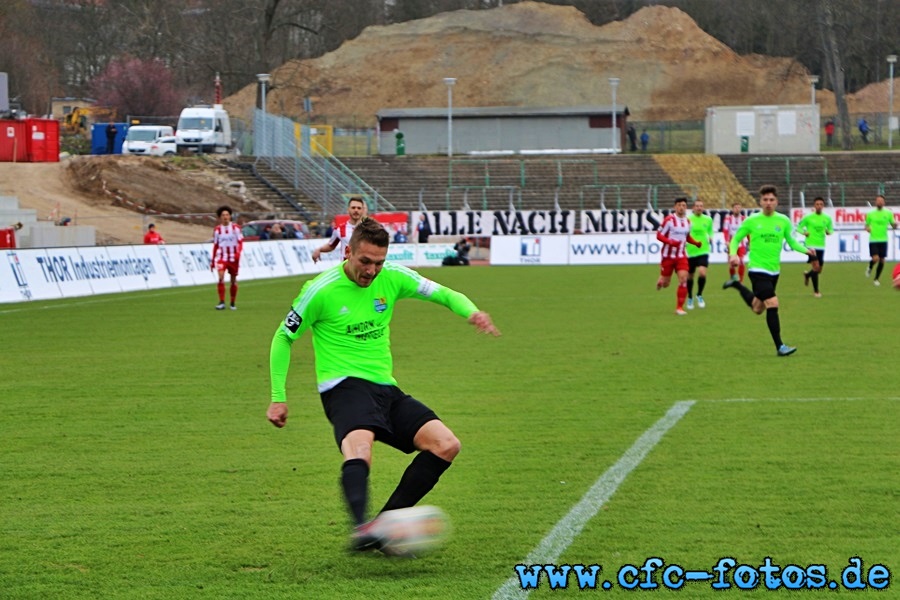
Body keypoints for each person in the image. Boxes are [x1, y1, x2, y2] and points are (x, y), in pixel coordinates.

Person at [265, 218, 500, 554]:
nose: (372, 271)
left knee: (446, 444)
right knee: (360, 446)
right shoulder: (320, 290)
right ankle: (361, 527)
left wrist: (472, 312)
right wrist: (278, 397)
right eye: (365, 262)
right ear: (347, 253)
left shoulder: (393, 278)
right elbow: (283, 337)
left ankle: (385, 527)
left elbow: (443, 293)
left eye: (379, 262)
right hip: (343, 387)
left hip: (385, 389)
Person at [722, 185, 816, 356]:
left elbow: (792, 242)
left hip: (774, 271)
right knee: (772, 303)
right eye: (765, 200)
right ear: (760, 201)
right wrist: (733, 254)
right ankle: (780, 346)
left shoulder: (783, 221)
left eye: (771, 200)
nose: (768, 203)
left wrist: (806, 250)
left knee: (758, 308)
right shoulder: (752, 221)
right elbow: (735, 239)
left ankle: (736, 284)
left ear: (776, 201)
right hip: (757, 270)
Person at [656, 197, 701, 315]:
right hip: (668, 256)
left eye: (684, 205)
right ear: (675, 207)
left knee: (683, 279)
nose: (681, 207)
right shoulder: (669, 220)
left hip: (681, 256)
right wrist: (670, 242)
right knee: (666, 284)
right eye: (679, 205)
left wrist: (695, 243)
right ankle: (662, 280)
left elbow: (687, 237)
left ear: (686, 208)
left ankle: (679, 308)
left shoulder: (688, 222)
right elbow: (659, 235)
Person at [797, 196, 834, 297]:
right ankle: (816, 291)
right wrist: (804, 232)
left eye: (821, 204)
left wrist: (828, 232)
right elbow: (798, 227)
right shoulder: (808, 217)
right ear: (814, 205)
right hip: (810, 245)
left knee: (819, 270)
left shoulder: (827, 218)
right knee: (816, 267)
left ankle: (807, 275)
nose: (819, 206)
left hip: (821, 246)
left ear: (823, 206)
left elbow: (831, 229)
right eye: (817, 204)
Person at [313, 195, 367, 263]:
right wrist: (319, 249)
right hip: (346, 268)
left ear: (362, 210)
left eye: (359, 208)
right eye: (353, 208)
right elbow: (331, 245)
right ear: (348, 209)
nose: (356, 210)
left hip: (363, 269)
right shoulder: (339, 229)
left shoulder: (369, 229)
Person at [210, 205, 243, 310]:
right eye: (223, 215)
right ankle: (222, 302)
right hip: (222, 257)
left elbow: (240, 242)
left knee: (233, 280)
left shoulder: (236, 228)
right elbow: (215, 245)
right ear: (220, 217)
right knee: (220, 276)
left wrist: (238, 252)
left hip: (233, 258)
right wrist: (212, 260)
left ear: (230, 216)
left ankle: (232, 303)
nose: (225, 217)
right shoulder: (217, 230)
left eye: (227, 215)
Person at [685, 199, 713, 309]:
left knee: (702, 273)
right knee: (690, 276)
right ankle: (690, 297)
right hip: (690, 251)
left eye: (701, 206)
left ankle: (699, 295)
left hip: (703, 250)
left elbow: (710, 231)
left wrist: (711, 237)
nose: (699, 208)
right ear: (693, 208)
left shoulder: (708, 219)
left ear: (703, 207)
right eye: (697, 206)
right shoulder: (688, 219)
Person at [864, 194, 897, 286]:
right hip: (873, 239)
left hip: (884, 239)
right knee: (875, 258)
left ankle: (876, 279)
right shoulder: (870, 214)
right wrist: (867, 229)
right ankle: (870, 267)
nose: (880, 202)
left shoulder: (888, 213)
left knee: (882, 260)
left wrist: (895, 225)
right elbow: (866, 226)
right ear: (876, 202)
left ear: (884, 202)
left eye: (881, 201)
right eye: (878, 200)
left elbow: (893, 225)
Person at [722, 202, 748, 282]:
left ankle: (741, 281)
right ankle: (733, 278)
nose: (737, 209)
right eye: (735, 207)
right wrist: (726, 241)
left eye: (739, 207)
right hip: (731, 244)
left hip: (741, 244)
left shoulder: (744, 219)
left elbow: (748, 232)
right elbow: (725, 231)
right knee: (732, 263)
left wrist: (749, 241)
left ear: (741, 209)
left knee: (741, 262)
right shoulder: (728, 219)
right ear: (732, 209)